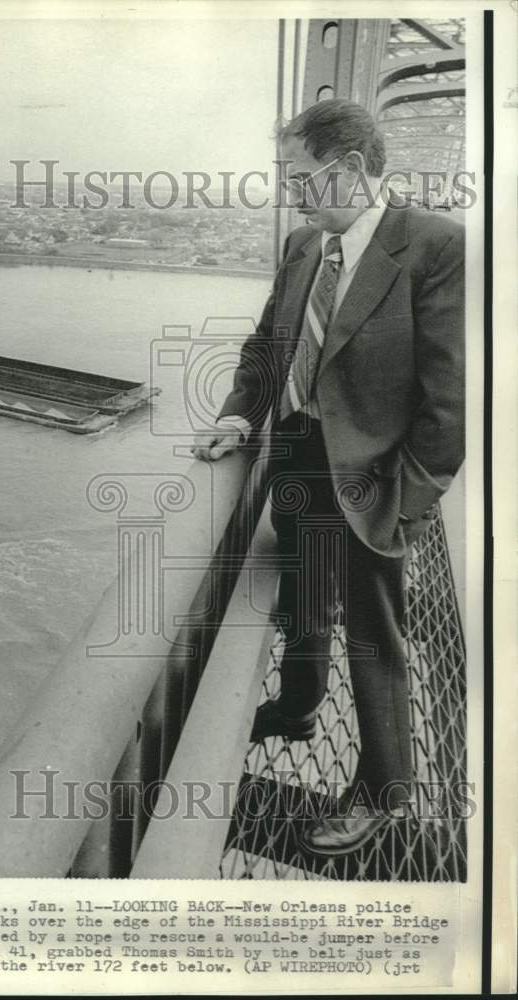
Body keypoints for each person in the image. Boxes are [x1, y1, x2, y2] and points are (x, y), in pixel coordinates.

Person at [192, 98, 464, 857]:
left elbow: (450, 401)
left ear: (347, 170)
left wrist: (403, 508)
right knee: (305, 593)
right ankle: (299, 706)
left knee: (375, 637)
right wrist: (238, 417)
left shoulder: (435, 246)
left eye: (300, 176)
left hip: (376, 479)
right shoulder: (304, 245)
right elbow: (266, 344)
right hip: (298, 452)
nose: (292, 192)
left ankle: (383, 790)